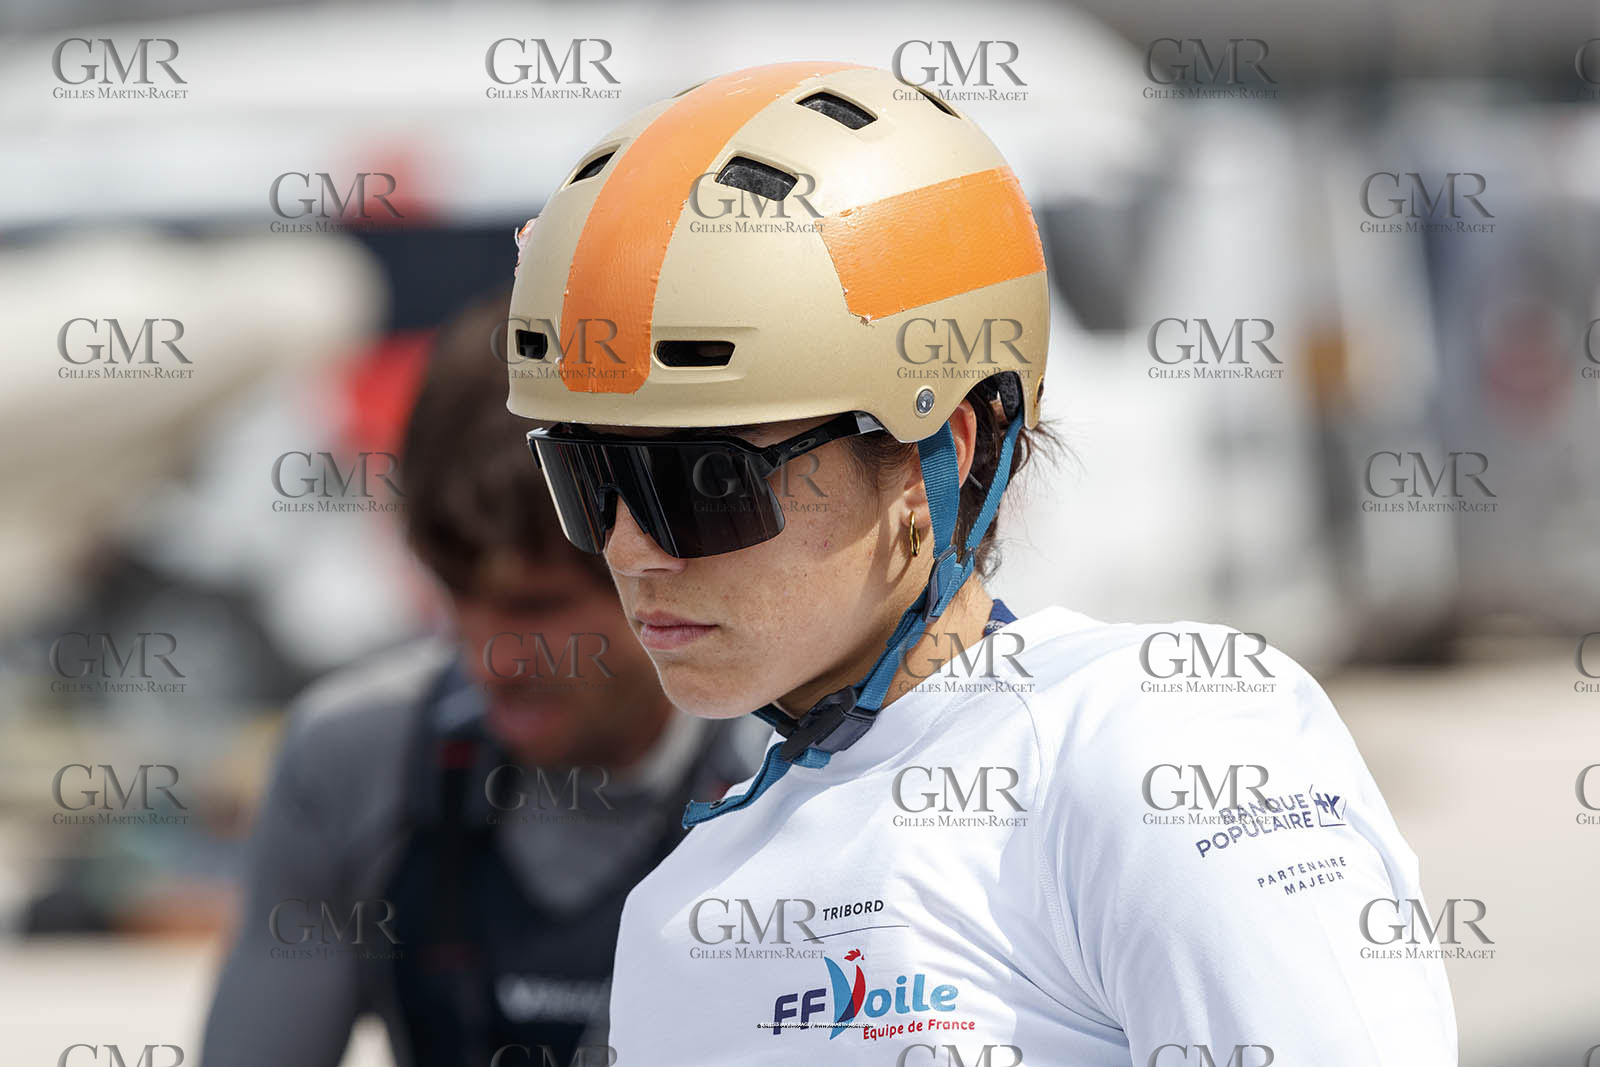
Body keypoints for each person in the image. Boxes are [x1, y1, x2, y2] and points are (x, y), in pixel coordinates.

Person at [503, 62, 1459, 1064]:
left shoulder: (1159, 745)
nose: (627, 547)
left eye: (702, 482)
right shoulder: (679, 910)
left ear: (942, 451)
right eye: (587, 476)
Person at [201, 291, 764, 1067]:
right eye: (457, 596)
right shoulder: (351, 758)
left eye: (537, 605)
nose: (490, 658)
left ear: (660, 574)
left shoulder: (794, 777)